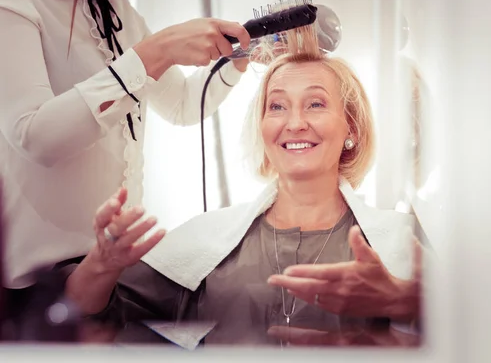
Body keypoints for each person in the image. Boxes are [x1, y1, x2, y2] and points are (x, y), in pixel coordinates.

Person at [64, 24, 423, 348]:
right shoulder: (203, 244)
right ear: (263, 128)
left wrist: (405, 300)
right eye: (277, 106)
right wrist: (101, 263)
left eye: (315, 103)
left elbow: (466, 333)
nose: (295, 123)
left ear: (352, 129)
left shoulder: (400, 240)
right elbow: (86, 317)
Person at [0, 0, 252, 306]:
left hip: (120, 269)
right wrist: (155, 52)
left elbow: (182, 105)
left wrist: (237, 60)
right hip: (39, 288)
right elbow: (35, 136)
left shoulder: (117, 6)